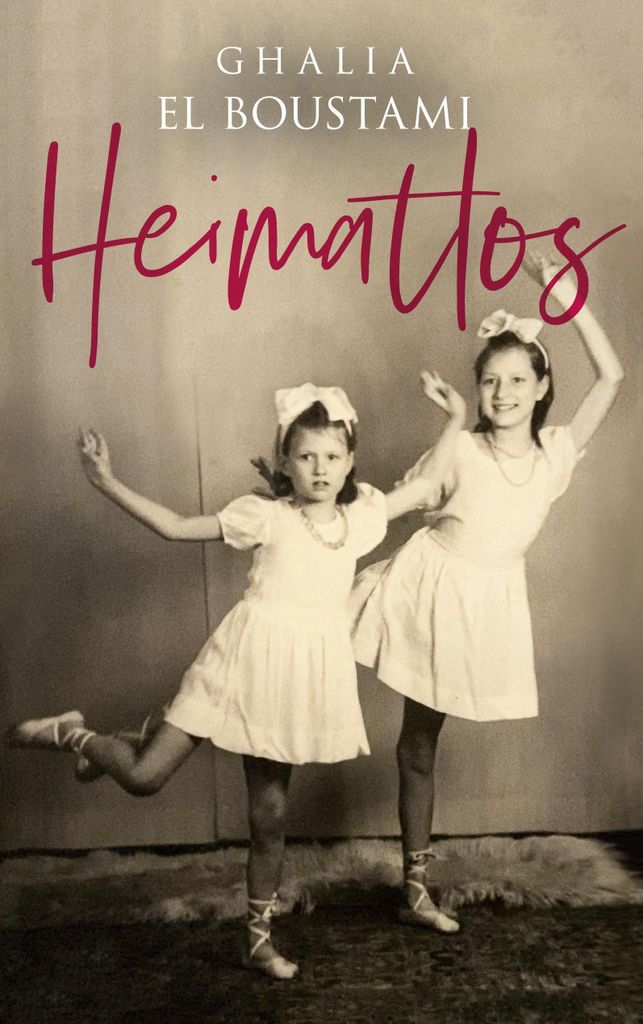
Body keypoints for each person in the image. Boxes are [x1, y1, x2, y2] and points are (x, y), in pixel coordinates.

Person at [7, 380, 464, 977]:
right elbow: (175, 526)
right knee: (145, 778)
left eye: (332, 456)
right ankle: (72, 733)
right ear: (285, 461)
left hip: (297, 681)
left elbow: (426, 486)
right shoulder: (265, 515)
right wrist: (107, 482)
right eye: (306, 456)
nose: (320, 468)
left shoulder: (361, 518)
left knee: (269, 815)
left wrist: (456, 418)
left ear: (350, 460)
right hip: (239, 665)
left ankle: (256, 939)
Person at [350, 253, 624, 934]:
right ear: (476, 389)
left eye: (517, 380)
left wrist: (557, 289)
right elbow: (393, 507)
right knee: (287, 661)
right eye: (490, 380)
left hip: (479, 608)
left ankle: (414, 890)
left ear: (541, 386)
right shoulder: (461, 450)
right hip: (421, 588)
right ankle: (155, 742)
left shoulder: (555, 454)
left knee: (418, 744)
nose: (502, 393)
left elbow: (612, 375)